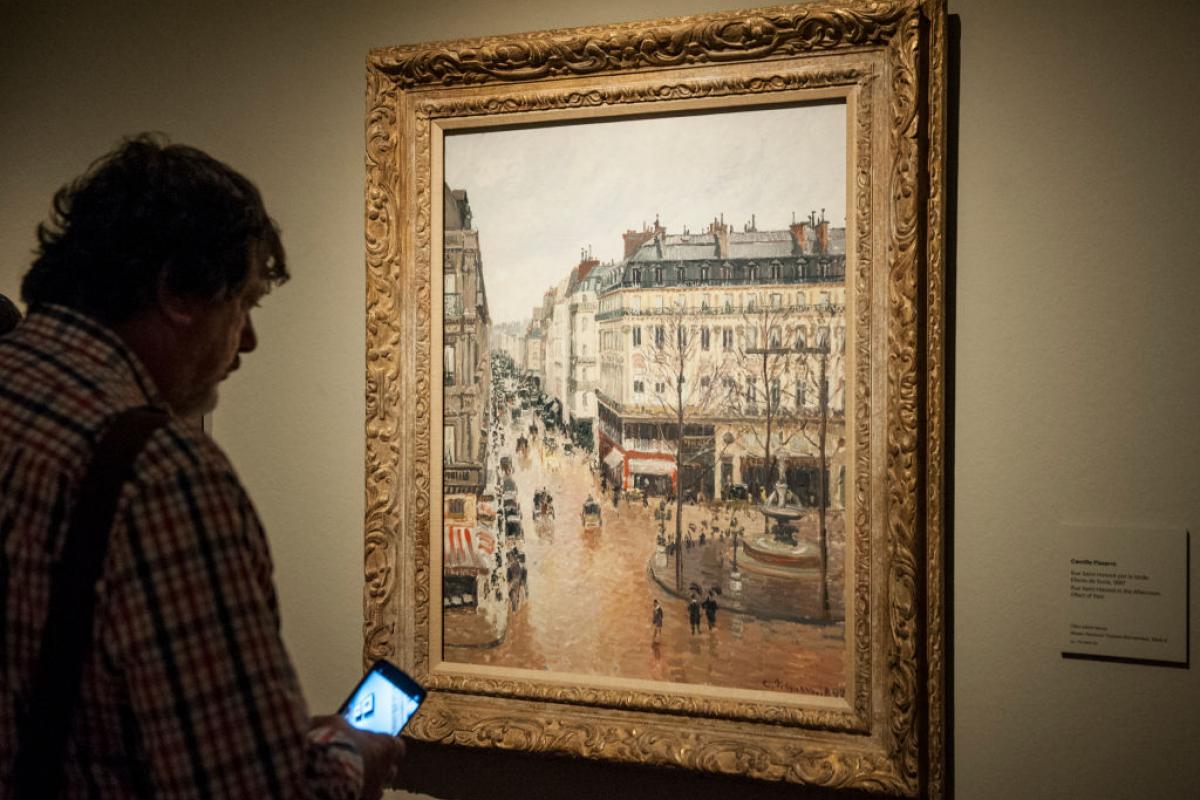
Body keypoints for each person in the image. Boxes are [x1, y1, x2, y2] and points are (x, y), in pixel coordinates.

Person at [0, 135, 401, 799]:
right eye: (242, 301)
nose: (247, 338)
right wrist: (348, 753)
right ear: (179, 291)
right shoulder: (160, 474)